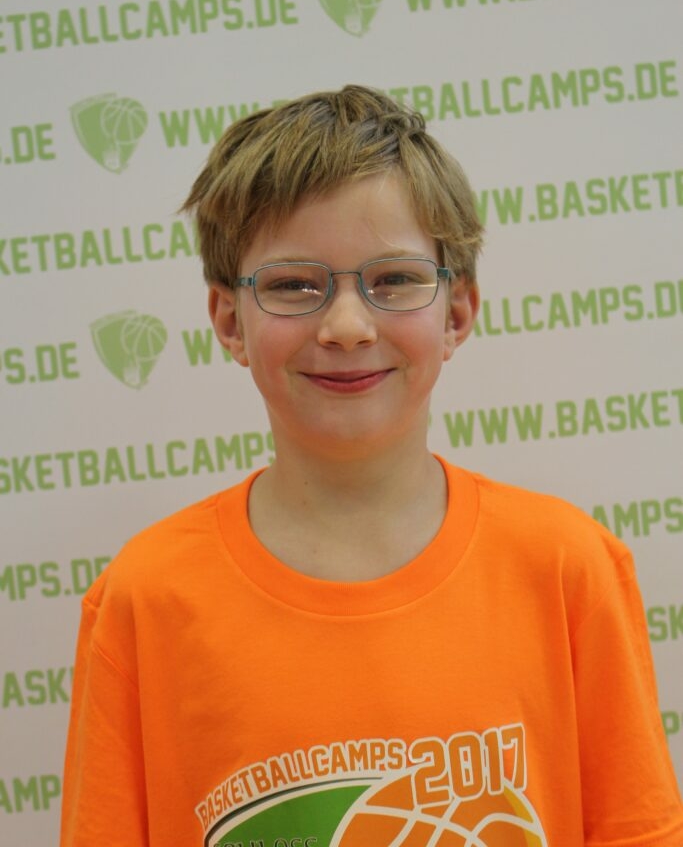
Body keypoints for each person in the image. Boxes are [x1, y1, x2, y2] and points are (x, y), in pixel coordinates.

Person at [61, 86, 683, 847]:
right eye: (293, 285)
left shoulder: (567, 569)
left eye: (393, 280)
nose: (348, 326)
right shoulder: (144, 601)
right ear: (229, 320)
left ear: (457, 312)